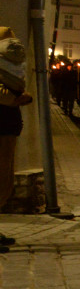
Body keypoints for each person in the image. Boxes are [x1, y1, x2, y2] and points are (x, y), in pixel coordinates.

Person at [0, 29, 31, 254]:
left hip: (8, 129)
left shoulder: (9, 67)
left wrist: (20, 97)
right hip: (2, 127)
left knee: (5, 181)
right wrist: (16, 99)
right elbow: (6, 96)